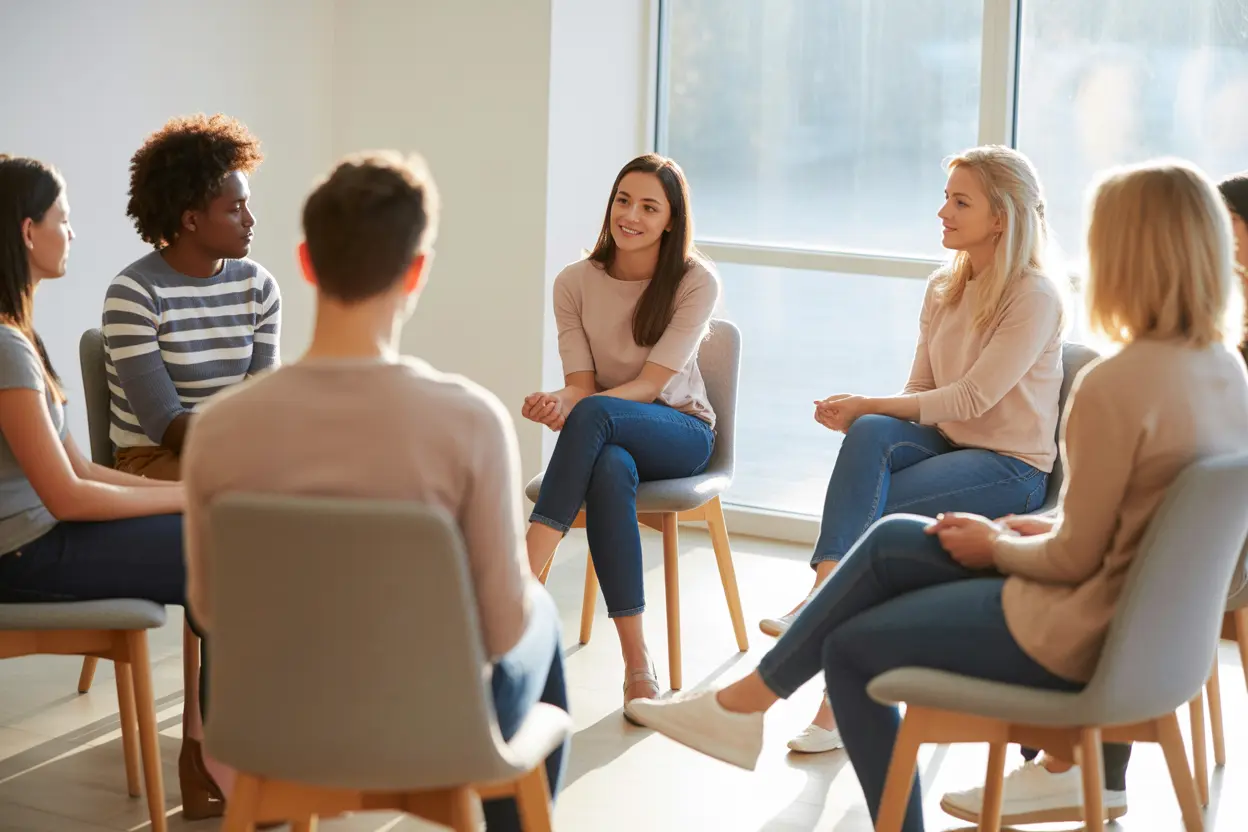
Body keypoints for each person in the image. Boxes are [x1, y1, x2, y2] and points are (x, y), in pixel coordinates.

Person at [624, 157, 1248, 832]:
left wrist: (999, 541)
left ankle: (753, 707)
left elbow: (1073, 563)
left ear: (1127, 255)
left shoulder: (1117, 385)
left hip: (1079, 633)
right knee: (891, 537)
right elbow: (1144, 529)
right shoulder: (1226, 374)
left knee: (851, 646)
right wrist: (1037, 534)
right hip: (1157, 641)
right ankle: (743, 704)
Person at [181, 150, 567, 830]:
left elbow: (210, 611)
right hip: (434, 733)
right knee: (541, 618)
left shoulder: (218, 430)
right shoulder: (469, 422)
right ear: (416, 272)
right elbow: (502, 629)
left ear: (305, 263)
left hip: (273, 732)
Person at [934, 167, 1248, 827]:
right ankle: (1065, 764)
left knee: (1084, 578)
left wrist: (1011, 545)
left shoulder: (1188, 365)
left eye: (1229, 231)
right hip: (1189, 548)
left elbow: (1102, 541)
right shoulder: (1222, 356)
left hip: (1211, 551)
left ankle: (1067, 763)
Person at [765, 146, 1066, 754]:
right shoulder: (944, 286)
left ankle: (833, 702)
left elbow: (976, 397)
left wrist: (867, 402)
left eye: (960, 201)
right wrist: (869, 412)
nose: (942, 212)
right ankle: (826, 591)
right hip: (949, 446)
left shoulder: (1034, 294)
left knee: (880, 513)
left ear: (1001, 217)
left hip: (1011, 467)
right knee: (871, 434)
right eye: (946, 197)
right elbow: (922, 391)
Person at [0, 156, 217, 816]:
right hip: (25, 555)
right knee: (228, 552)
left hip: (44, 537)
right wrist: (188, 501)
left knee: (223, 535)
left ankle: (224, 751)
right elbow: (65, 497)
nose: (73, 233)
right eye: (64, 220)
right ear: (26, 230)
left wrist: (193, 496)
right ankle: (224, 757)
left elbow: (86, 471)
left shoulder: (21, 337)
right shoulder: (5, 347)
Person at [522, 153, 719, 709]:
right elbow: (581, 387)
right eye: (623, 201)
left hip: (681, 431)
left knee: (597, 421)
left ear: (671, 221)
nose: (630, 215)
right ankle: (637, 663)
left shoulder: (695, 281)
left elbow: (653, 385)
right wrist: (559, 401)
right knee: (609, 470)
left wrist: (580, 409)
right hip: (610, 433)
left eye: (649, 207)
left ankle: (519, 588)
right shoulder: (574, 282)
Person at [103, 113, 280, 482]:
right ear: (190, 220)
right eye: (235, 209)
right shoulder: (134, 294)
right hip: (151, 459)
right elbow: (164, 424)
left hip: (235, 454)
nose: (251, 220)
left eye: (246, 205)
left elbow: (263, 403)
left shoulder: (259, 288)